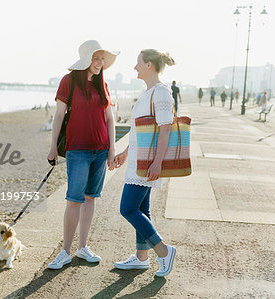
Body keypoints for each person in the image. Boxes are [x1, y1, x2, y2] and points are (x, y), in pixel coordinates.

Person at [46, 40, 119, 269]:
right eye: (96, 58)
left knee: (90, 198)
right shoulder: (68, 81)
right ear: (86, 59)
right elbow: (58, 116)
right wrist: (52, 148)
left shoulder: (102, 84)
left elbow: (109, 118)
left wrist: (112, 149)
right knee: (73, 200)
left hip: (100, 150)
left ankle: (83, 247)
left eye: (102, 59)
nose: (100, 63)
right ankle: (65, 251)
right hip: (77, 149)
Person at [112, 49, 177, 277]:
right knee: (141, 209)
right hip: (139, 160)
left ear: (149, 65)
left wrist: (158, 162)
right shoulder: (148, 92)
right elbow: (141, 132)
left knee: (128, 208)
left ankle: (163, 251)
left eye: (138, 63)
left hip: (148, 162)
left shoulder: (160, 92)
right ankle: (141, 258)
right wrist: (126, 153)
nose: (135, 67)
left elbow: (166, 128)